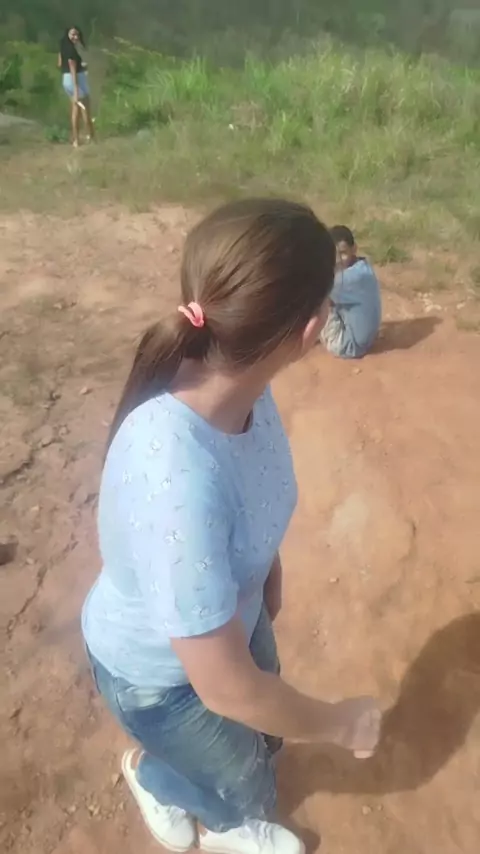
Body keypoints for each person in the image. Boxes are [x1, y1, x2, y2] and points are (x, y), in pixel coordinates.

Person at [82, 199, 382, 854]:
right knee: (245, 784)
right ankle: (173, 789)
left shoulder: (240, 382)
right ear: (310, 330)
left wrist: (265, 570)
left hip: (226, 624)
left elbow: (250, 490)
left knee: (265, 740)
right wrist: (341, 724)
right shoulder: (176, 479)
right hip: (162, 681)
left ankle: (194, 785)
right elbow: (225, 688)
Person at [320, 225, 381, 359]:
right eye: (334, 255)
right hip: (365, 340)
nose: (338, 260)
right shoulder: (362, 268)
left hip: (348, 345)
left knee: (316, 299)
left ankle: (299, 338)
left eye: (343, 253)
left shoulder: (348, 278)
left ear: (354, 249)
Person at [58, 26, 94, 148]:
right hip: (76, 79)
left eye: (77, 34)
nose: (76, 37)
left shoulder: (63, 47)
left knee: (76, 109)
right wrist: (76, 87)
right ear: (67, 34)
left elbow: (59, 63)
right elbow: (72, 67)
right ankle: (90, 137)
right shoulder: (71, 50)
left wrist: (80, 66)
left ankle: (77, 140)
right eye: (73, 34)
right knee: (84, 109)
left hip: (66, 78)